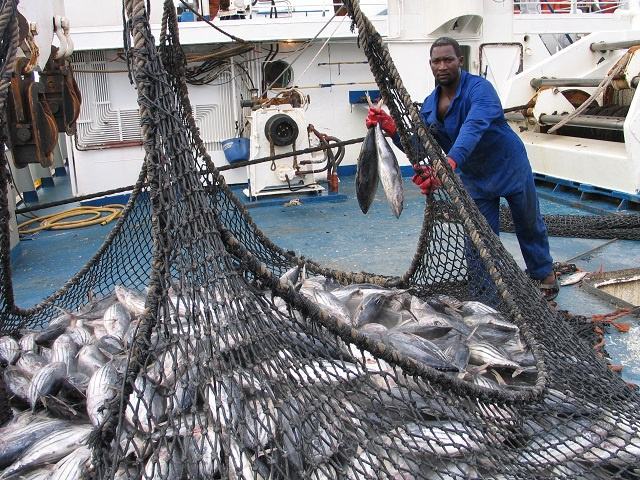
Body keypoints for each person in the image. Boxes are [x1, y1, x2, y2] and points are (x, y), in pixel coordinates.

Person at [366, 36, 559, 301]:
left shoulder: (481, 90)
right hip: (475, 176)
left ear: (460, 61)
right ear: (430, 65)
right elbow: (421, 147)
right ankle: (486, 295)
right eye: (436, 61)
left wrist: (448, 164)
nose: (442, 65)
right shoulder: (430, 105)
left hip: (509, 166)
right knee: (478, 237)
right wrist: (390, 129)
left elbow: (474, 126)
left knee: (527, 222)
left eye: (448, 59)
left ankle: (543, 274)